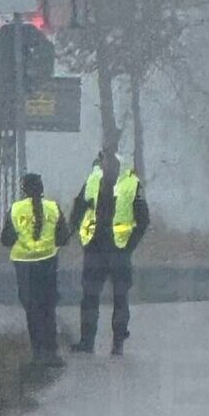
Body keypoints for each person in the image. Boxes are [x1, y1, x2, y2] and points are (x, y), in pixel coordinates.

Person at [69, 147, 149, 355]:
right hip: (95, 248)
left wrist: (129, 245)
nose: (103, 165)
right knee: (90, 296)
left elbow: (143, 220)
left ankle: (117, 344)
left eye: (106, 161)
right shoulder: (93, 179)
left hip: (118, 250)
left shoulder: (132, 183)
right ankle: (87, 342)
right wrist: (79, 234)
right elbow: (78, 208)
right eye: (102, 161)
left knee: (119, 297)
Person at [1, 173, 70, 367]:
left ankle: (38, 353)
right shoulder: (53, 208)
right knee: (48, 307)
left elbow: (5, 239)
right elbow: (63, 238)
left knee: (32, 310)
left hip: (24, 265)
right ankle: (52, 352)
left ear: (24, 189)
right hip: (48, 263)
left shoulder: (15, 209)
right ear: (42, 188)